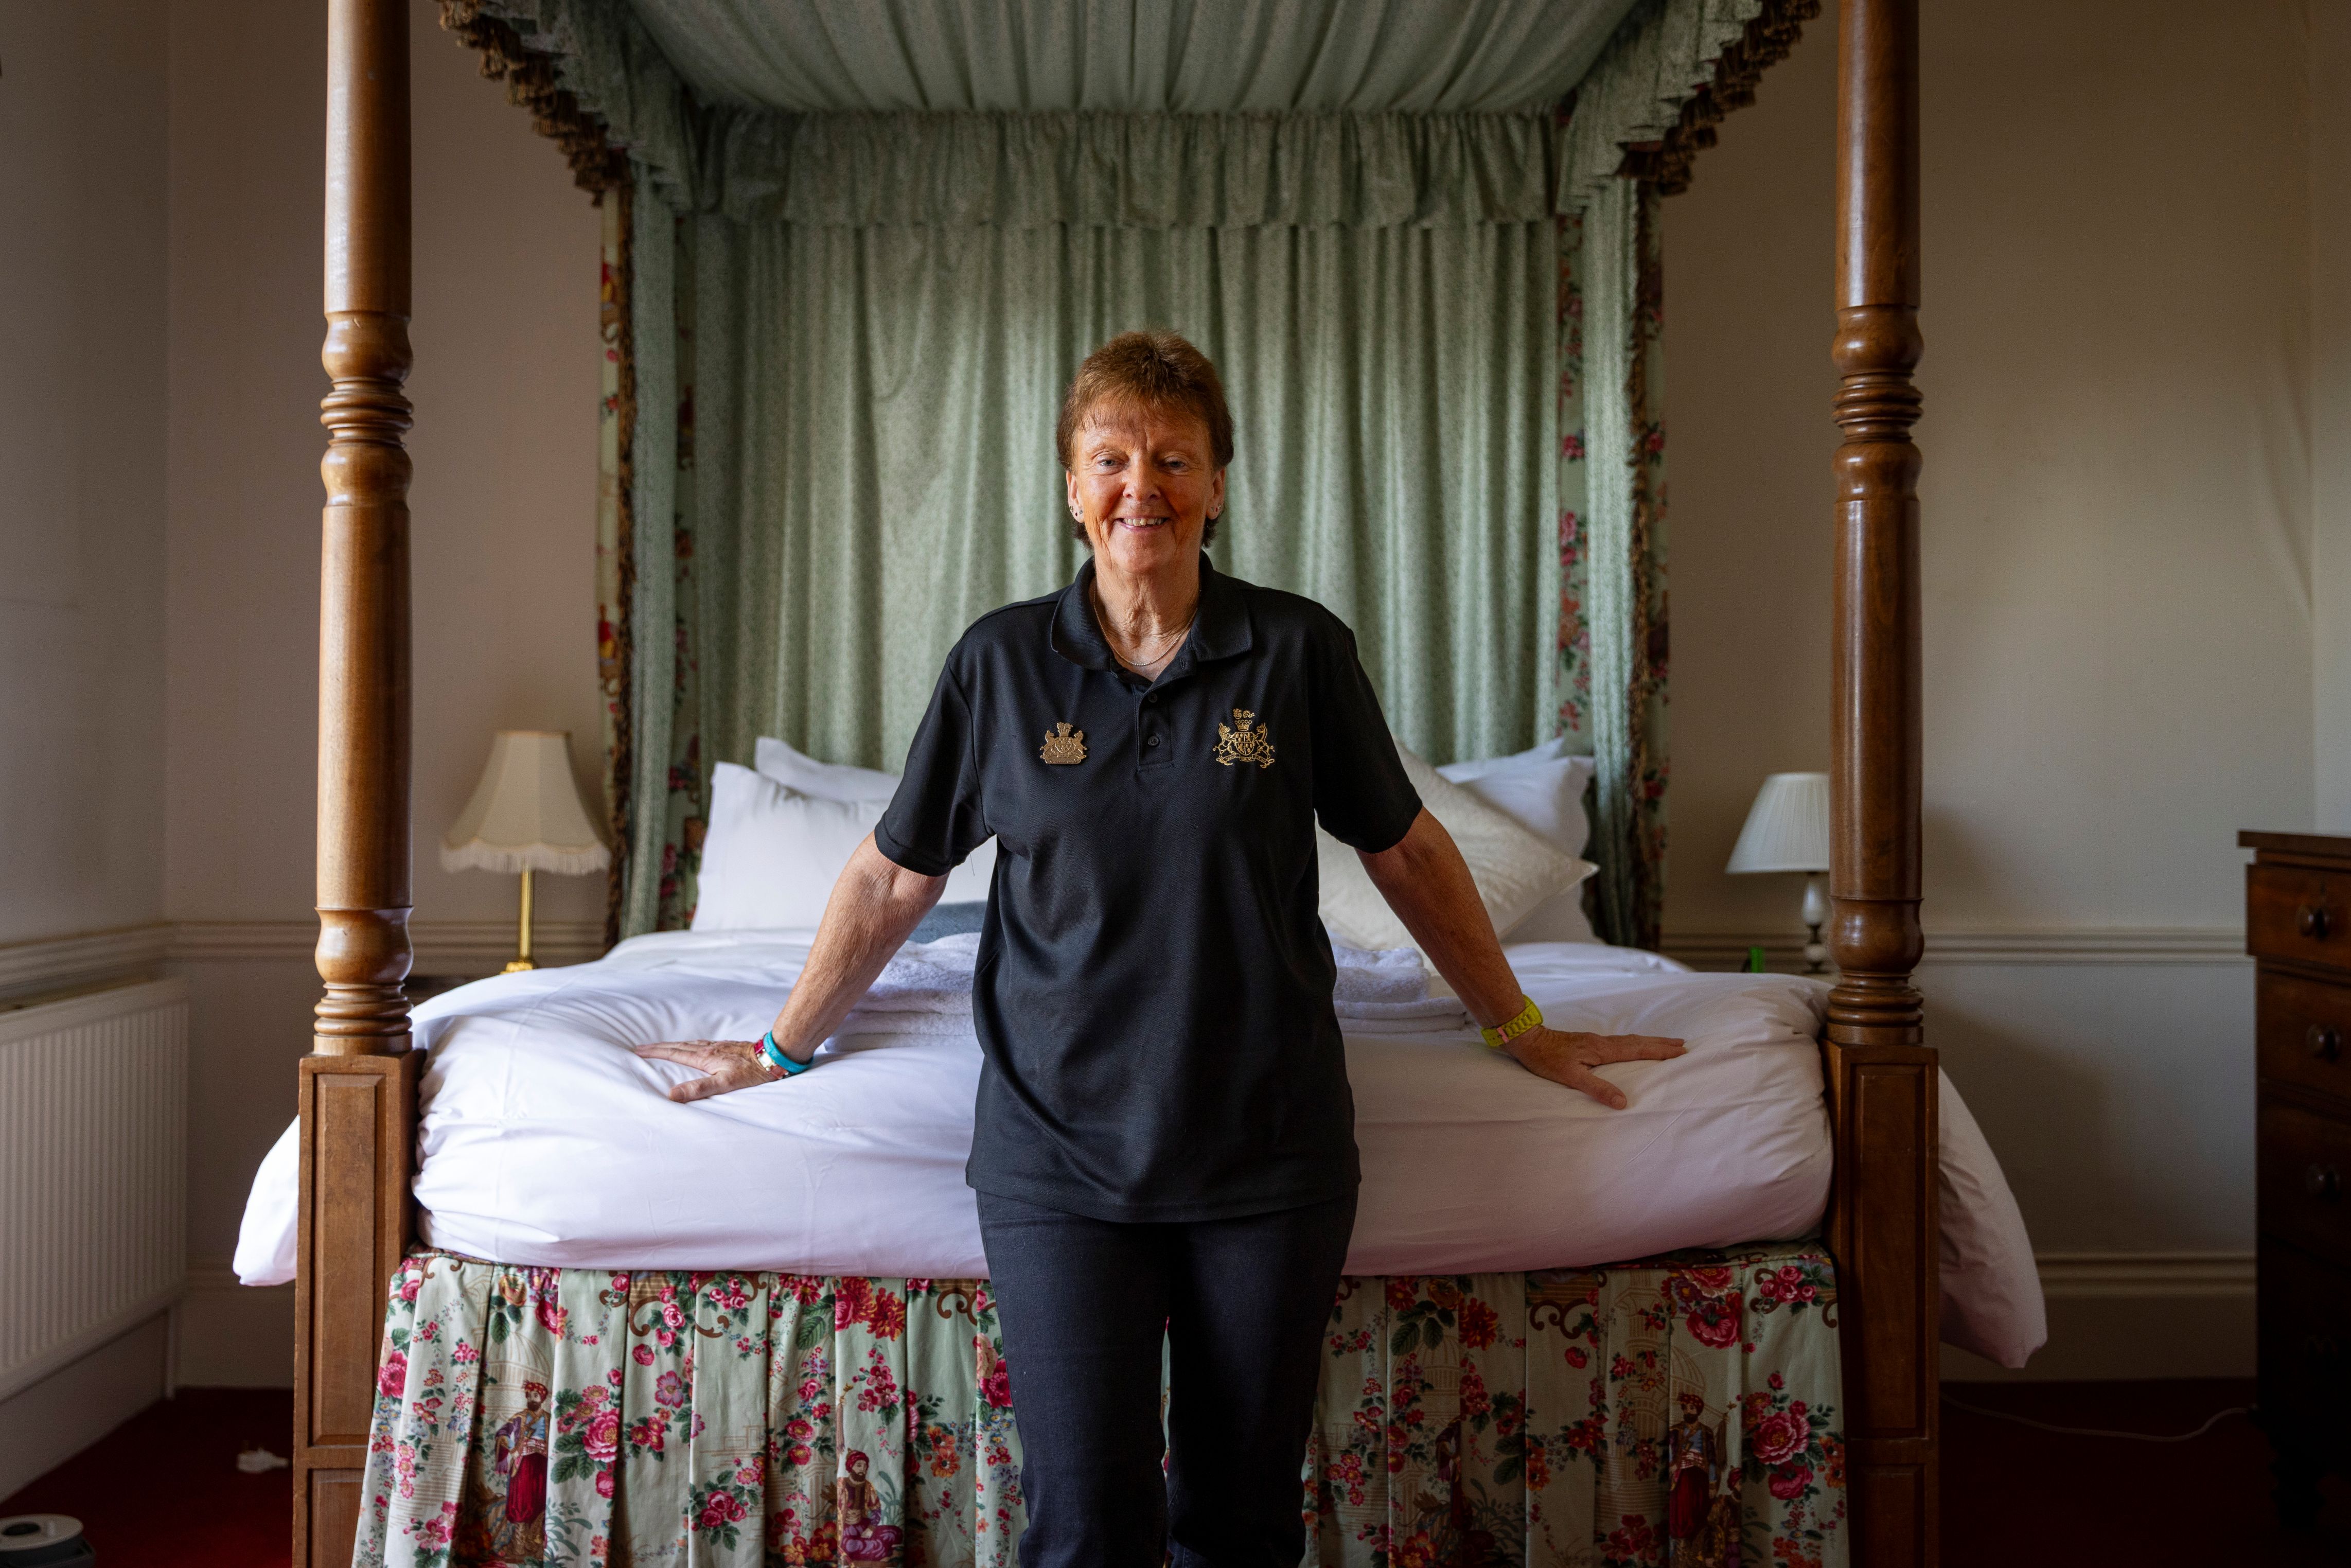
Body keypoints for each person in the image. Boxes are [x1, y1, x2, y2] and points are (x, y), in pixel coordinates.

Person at [635, 330, 1684, 1567]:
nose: (1144, 486)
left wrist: (1519, 1027)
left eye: (1175, 459)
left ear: (1217, 484)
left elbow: (1405, 850)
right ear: (1071, 488)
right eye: (1112, 459)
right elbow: (891, 874)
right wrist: (777, 1049)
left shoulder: (1295, 650)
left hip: (1268, 1150)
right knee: (1084, 1527)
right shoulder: (1000, 663)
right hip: (1055, 1159)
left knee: (1241, 1525)